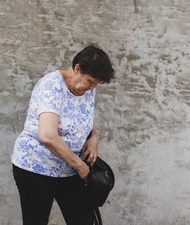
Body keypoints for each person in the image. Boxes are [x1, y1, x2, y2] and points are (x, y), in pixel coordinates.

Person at [11, 44, 115, 225]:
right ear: (77, 69)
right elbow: (47, 135)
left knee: (84, 221)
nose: (92, 88)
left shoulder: (87, 88)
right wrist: (81, 167)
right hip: (36, 167)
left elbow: (85, 114)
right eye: (90, 81)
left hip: (69, 168)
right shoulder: (52, 87)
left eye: (96, 84)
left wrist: (93, 137)